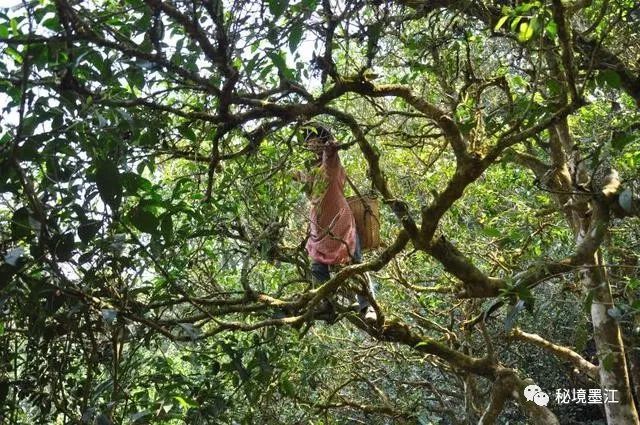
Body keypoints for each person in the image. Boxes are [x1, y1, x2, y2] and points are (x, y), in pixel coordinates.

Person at [298, 122, 377, 322]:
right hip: (320, 231)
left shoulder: (330, 163)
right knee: (317, 269)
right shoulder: (312, 171)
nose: (312, 146)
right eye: (309, 143)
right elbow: (309, 187)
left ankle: (368, 307)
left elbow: (331, 152)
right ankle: (327, 304)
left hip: (343, 227)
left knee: (356, 265)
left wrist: (330, 146)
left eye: (316, 141)